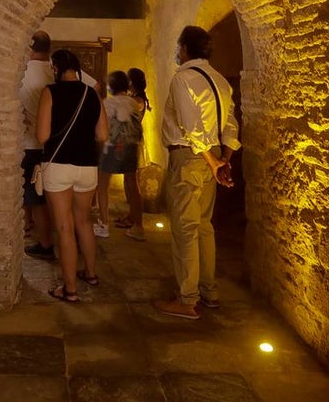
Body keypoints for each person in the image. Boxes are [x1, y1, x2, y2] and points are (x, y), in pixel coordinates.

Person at [152, 26, 241, 320]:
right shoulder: (219, 81)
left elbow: (191, 127)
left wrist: (212, 160)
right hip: (211, 156)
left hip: (190, 157)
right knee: (204, 225)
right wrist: (223, 159)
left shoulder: (183, 78)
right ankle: (209, 290)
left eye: (179, 48)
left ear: (185, 49)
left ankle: (187, 299)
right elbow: (229, 125)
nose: (178, 53)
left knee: (186, 228)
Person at [36, 49, 107, 303]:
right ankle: (90, 274)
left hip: (59, 166)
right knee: (84, 222)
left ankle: (69, 290)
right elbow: (103, 135)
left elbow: (42, 136)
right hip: (87, 166)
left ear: (55, 68)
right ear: (76, 69)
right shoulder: (91, 93)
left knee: (65, 227)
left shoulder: (50, 92)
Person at [95, 70, 146, 239]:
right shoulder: (134, 103)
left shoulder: (107, 103)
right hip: (131, 147)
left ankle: (104, 223)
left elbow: (103, 128)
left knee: (102, 184)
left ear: (111, 86)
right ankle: (138, 226)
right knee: (133, 185)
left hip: (112, 147)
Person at [20, 31, 56, 260]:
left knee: (35, 197)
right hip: (55, 144)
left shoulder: (21, 72)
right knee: (50, 195)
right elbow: (95, 85)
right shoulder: (56, 69)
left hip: (30, 142)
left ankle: (44, 242)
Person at [123, 67, 152, 241]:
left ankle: (138, 225)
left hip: (131, 143)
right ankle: (132, 217)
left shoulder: (137, 101)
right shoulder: (133, 99)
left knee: (132, 183)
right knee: (128, 182)